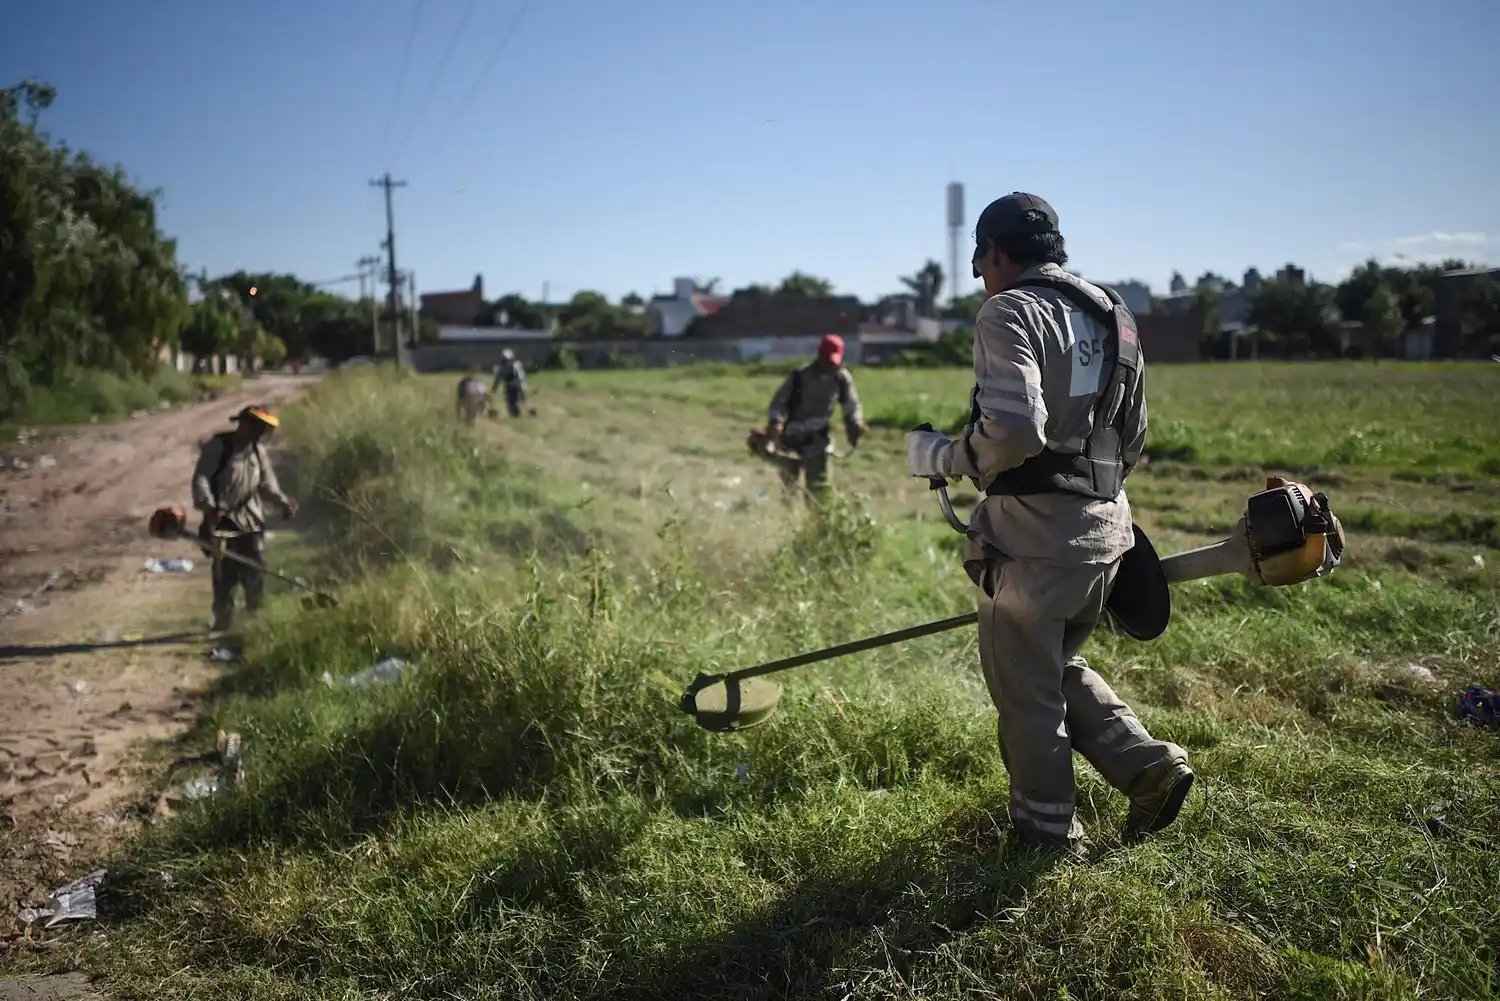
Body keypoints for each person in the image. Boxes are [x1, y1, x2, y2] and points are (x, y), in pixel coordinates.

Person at [904, 192, 1192, 859]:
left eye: (982, 261)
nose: (981, 275)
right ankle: (1148, 767)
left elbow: (1013, 429)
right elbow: (1135, 436)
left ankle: (1047, 838)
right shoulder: (1113, 314)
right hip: (1107, 534)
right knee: (1050, 666)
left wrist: (944, 456)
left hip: (1034, 543)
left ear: (996, 252)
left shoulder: (1009, 310)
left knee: (1027, 698)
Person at [191, 405, 297, 633]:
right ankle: (223, 623)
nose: (261, 433)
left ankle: (254, 623)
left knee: (256, 571)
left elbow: (267, 486)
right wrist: (209, 507)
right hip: (223, 524)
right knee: (225, 577)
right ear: (244, 424)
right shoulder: (218, 447)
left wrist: (282, 504)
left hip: (252, 523)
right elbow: (201, 479)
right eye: (258, 427)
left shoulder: (258, 452)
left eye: (265, 430)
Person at [765, 334, 868, 497]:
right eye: (826, 361)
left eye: (833, 362)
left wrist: (855, 423)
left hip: (819, 440)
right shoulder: (799, 376)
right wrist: (775, 421)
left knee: (819, 490)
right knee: (789, 490)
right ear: (819, 356)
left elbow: (851, 405)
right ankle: (789, 519)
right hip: (791, 439)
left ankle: (817, 519)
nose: (829, 366)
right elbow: (778, 402)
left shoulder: (841, 378)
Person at [491, 348, 528, 418]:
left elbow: (498, 379)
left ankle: (515, 415)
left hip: (510, 386)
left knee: (511, 403)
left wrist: (494, 389)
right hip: (518, 385)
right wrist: (522, 388)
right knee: (516, 402)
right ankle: (516, 415)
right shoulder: (517, 365)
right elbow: (521, 377)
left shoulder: (504, 367)